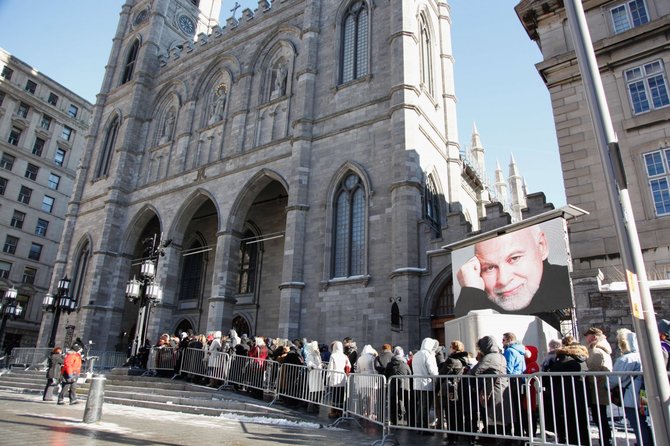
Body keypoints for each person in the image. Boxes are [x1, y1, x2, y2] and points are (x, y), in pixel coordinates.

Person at [454, 225, 571, 327]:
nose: (503, 280)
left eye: (514, 258)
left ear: (541, 247)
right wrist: (470, 291)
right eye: (489, 268)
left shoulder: (568, 284)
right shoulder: (481, 299)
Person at [609, 329, 654, 446]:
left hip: (631, 395)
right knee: (644, 420)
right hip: (643, 394)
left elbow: (615, 379)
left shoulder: (627, 359)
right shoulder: (644, 355)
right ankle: (648, 441)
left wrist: (607, 386)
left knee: (636, 422)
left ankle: (643, 442)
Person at [544, 340, 590, 445]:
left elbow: (551, 377)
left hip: (566, 397)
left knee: (570, 424)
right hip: (579, 397)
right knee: (581, 424)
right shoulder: (581, 360)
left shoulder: (563, 361)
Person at [464, 335, 509, 438]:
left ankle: (495, 439)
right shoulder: (501, 356)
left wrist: (480, 360)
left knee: (495, 417)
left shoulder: (489, 357)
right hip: (502, 387)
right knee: (502, 417)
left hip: (493, 389)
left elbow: (474, 372)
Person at [584, 327, 613, 446]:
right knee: (600, 417)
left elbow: (593, 371)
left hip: (597, 389)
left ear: (594, 336)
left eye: (587, 335)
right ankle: (606, 440)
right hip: (599, 389)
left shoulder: (597, 352)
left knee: (600, 417)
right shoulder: (598, 350)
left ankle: (606, 441)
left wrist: (585, 379)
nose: (586, 337)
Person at [438, 340, 470, 445]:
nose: (449, 348)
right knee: (458, 412)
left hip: (451, 390)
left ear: (454, 348)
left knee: (450, 413)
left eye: (451, 347)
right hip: (460, 388)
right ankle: (459, 433)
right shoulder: (464, 359)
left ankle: (452, 437)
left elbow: (443, 373)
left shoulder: (451, 360)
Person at [411, 337, 439, 432]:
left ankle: (419, 426)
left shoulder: (417, 354)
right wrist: (437, 377)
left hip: (417, 383)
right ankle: (425, 428)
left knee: (421, 406)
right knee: (425, 406)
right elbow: (433, 370)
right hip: (426, 383)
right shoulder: (428, 354)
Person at [502, 332, 526, 440]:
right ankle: (520, 432)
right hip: (520, 380)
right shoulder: (520, 350)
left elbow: (508, 369)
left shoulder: (509, 351)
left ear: (508, 340)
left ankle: (516, 434)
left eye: (503, 340)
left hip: (512, 381)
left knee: (513, 409)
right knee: (518, 408)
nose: (502, 342)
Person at [384, 346, 412, 425]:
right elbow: (409, 373)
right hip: (405, 386)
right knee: (406, 402)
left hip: (392, 386)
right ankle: (409, 421)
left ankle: (393, 420)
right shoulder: (405, 364)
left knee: (393, 402)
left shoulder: (390, 364)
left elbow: (386, 374)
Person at [327, 340, 351, 418]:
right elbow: (349, 366)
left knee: (334, 395)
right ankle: (340, 411)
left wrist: (327, 376)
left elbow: (330, 367)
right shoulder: (344, 356)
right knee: (340, 395)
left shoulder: (333, 356)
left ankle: (334, 411)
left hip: (335, 376)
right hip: (342, 377)